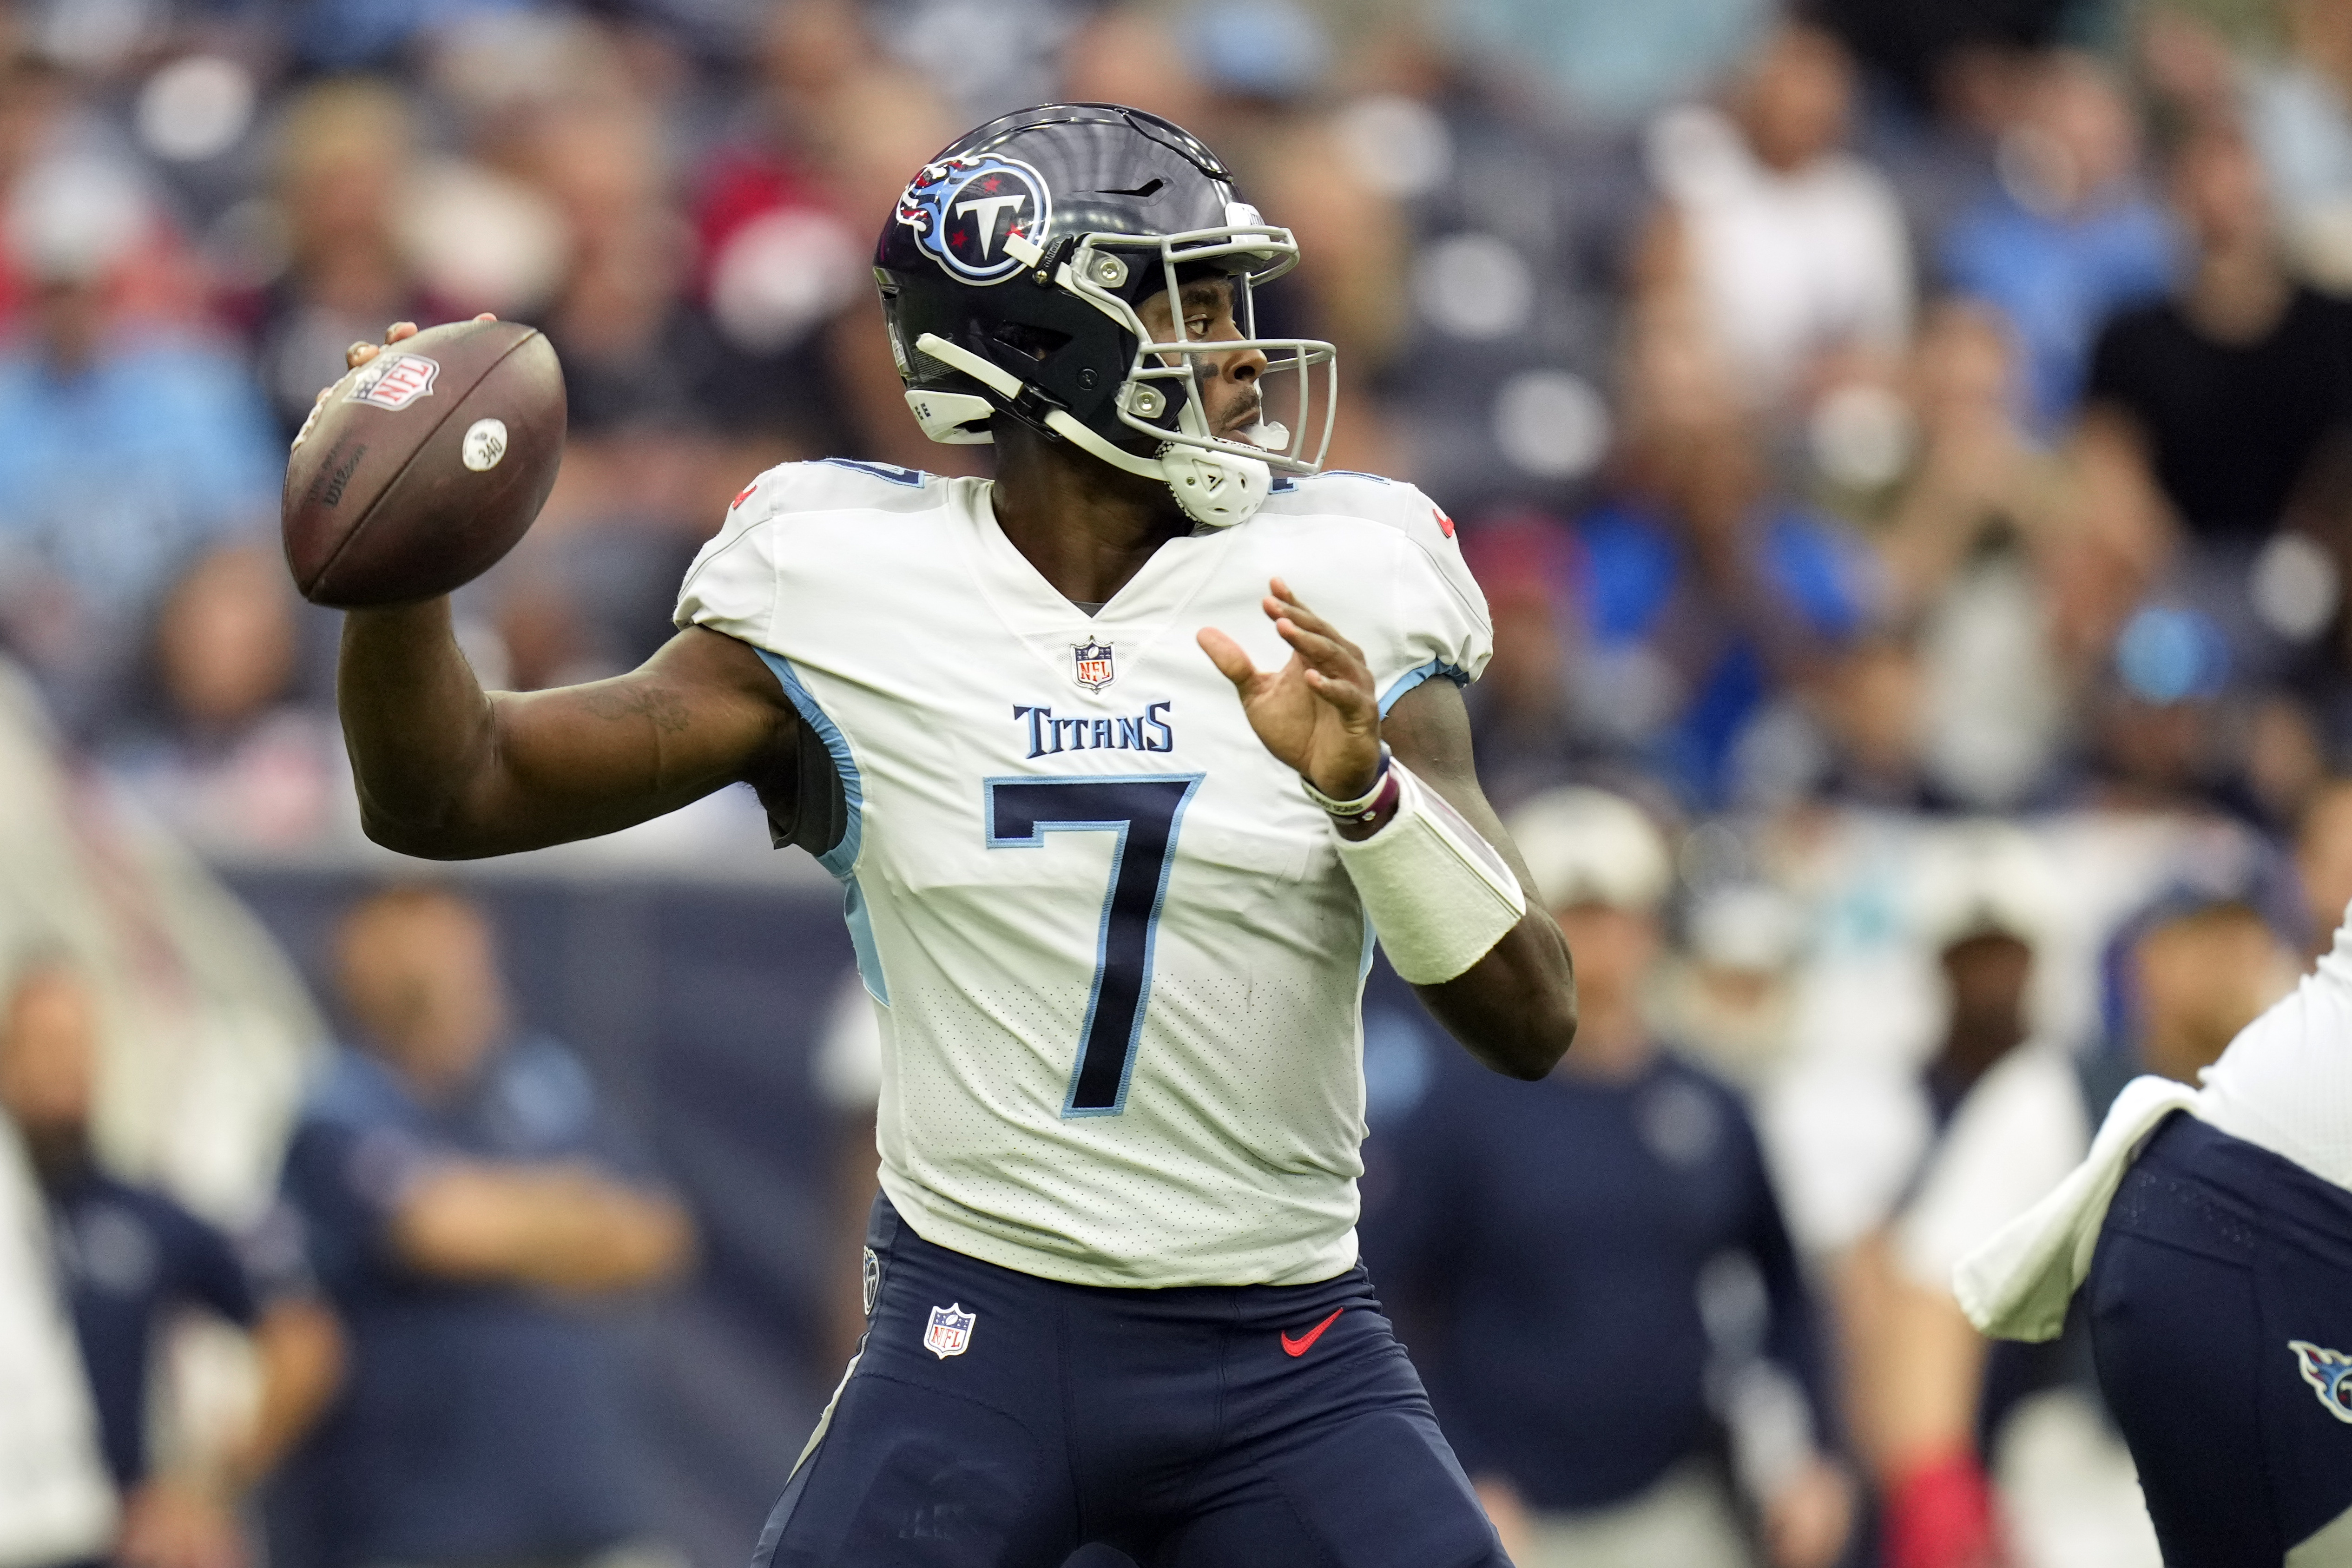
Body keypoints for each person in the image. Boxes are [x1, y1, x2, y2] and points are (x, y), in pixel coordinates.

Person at [317, 102, 1577, 1566]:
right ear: (1044, 341)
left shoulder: (1344, 578)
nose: (1242, 351)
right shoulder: (845, 584)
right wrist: (395, 572)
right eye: (1191, 305)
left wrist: (1367, 797)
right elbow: (445, 789)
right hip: (980, 1334)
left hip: (1286, 1343)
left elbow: (1531, 1016)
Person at [1365, 787, 1850, 1568]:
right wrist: (1454, 1464)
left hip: (1678, 1502)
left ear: (1651, 923)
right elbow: (1385, 1301)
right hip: (1511, 1518)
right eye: (1571, 914)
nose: (1596, 941)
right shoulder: (1457, 1110)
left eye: (1614, 912)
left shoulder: (1706, 1102)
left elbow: (1787, 1289)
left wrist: (1813, 1453)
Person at [272, 887, 694, 1568]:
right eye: (414, 948)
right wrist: (574, 1211)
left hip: (591, 1516)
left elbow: (657, 1234)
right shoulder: (338, 1102)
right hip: (427, 1529)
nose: (443, 969)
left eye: (454, 943)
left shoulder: (544, 1080)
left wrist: (503, 1215)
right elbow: (435, 1228)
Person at [0, 957, 343, 1568]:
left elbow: (304, 1335)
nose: (61, 1067)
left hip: (103, 1537)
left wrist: (205, 1490)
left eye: (75, 1044)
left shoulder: (142, 1215)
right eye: (41, 1044)